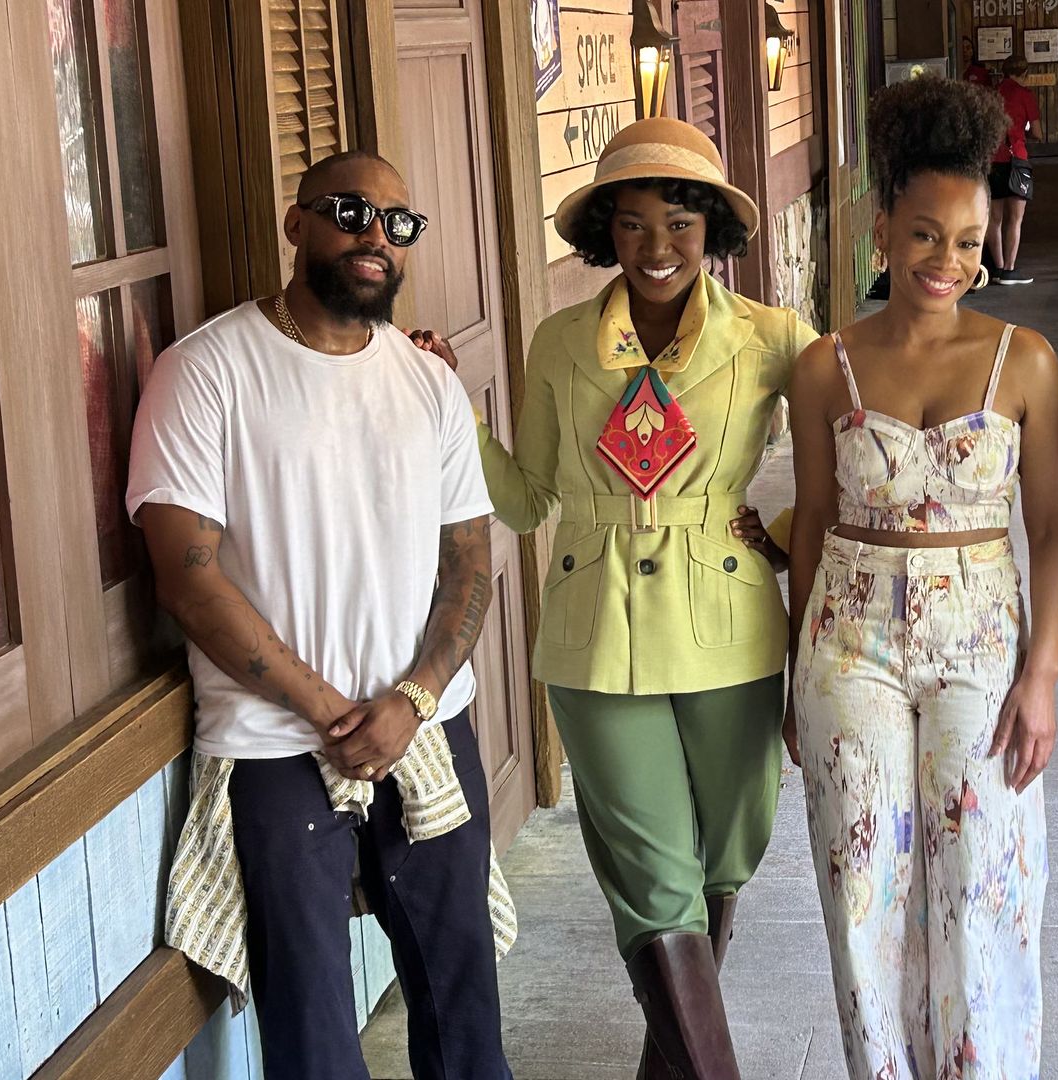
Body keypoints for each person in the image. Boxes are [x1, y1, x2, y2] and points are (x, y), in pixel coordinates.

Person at [129, 150, 516, 1080]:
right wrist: (330, 712)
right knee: (311, 1026)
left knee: (463, 1001)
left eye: (398, 223)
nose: (375, 237)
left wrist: (412, 701)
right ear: (296, 223)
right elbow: (188, 578)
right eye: (350, 212)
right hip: (274, 743)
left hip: (422, 726)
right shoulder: (205, 371)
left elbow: (469, 562)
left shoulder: (428, 385)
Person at [454, 117, 815, 1080]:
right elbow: (528, 499)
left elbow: (855, 447)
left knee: (729, 853)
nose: (657, 249)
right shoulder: (562, 341)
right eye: (632, 225)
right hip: (594, 629)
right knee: (657, 883)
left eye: (681, 224)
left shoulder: (772, 337)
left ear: (715, 233)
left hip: (729, 624)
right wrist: (450, 409)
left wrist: (781, 539)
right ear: (603, 234)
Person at [785, 75, 1058, 1079]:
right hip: (849, 641)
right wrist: (796, 670)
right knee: (862, 881)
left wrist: (1040, 677)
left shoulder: (1025, 361)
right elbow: (816, 522)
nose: (946, 260)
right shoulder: (827, 366)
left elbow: (1051, 530)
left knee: (981, 875)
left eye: (966, 237)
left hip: (980, 641)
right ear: (883, 229)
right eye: (922, 234)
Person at [988, 55, 1040, 285]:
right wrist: (1022, 134)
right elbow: (1037, 132)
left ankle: (998, 268)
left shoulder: (992, 94)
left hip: (993, 159)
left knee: (995, 218)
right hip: (1016, 158)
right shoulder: (1025, 95)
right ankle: (1010, 269)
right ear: (1024, 74)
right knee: (1015, 220)